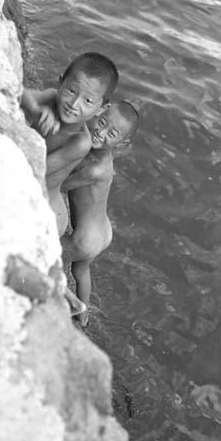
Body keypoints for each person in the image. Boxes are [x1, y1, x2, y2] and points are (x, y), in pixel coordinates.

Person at [21, 53, 119, 237]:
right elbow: (14, 91)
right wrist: (35, 109)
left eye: (88, 101)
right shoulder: (50, 98)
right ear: (61, 82)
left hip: (47, 211)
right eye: (71, 91)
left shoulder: (80, 142)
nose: (74, 104)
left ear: (100, 108)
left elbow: (38, 172)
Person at [61, 101, 139, 326]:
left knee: (47, 259)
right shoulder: (102, 159)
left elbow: (61, 185)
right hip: (103, 232)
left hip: (86, 239)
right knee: (80, 270)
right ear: (100, 110)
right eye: (102, 122)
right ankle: (83, 318)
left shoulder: (95, 169)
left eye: (111, 133)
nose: (100, 132)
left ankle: (73, 303)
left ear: (122, 143)